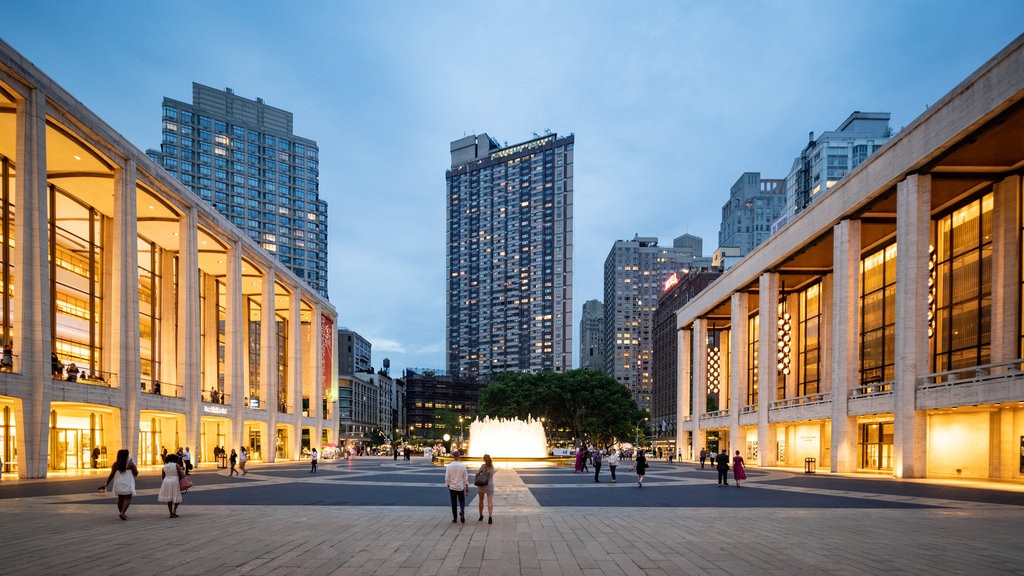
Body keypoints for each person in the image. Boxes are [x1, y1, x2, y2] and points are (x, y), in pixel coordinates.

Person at [100, 449, 138, 521]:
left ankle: (121, 512)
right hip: (127, 482)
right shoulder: (130, 464)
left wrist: (106, 484)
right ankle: (122, 512)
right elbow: (136, 472)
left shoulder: (115, 464)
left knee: (120, 498)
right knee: (128, 497)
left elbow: (111, 475)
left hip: (118, 482)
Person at [444, 451, 469, 523]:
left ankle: (455, 518)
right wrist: (466, 485)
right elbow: (465, 477)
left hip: (452, 487)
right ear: (459, 457)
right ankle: (462, 510)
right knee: (462, 500)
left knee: (453, 503)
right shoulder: (463, 466)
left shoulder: (449, 466)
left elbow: (447, 477)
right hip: (460, 486)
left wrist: (448, 484)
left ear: (453, 457)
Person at [157, 454, 183, 518]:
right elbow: (180, 474)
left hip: (166, 481)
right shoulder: (176, 465)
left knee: (169, 497)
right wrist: (179, 479)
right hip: (175, 480)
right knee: (177, 495)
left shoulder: (165, 466)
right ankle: (174, 510)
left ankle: (170, 512)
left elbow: (163, 476)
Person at [475, 453, 496, 524]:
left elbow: (478, 473)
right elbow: (492, 475)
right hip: (489, 484)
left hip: (481, 484)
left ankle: (481, 516)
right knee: (490, 501)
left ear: (484, 459)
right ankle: (490, 517)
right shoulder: (492, 467)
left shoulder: (482, 466)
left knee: (481, 501)